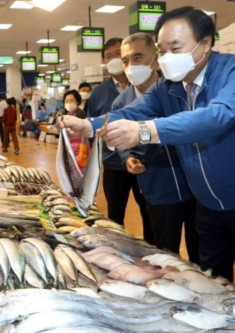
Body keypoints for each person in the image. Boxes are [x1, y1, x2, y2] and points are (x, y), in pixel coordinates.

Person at [60, 7, 235, 311]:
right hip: (208, 206)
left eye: (175, 48)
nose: (166, 57)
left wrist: (145, 132)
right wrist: (90, 125)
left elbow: (219, 116)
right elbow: (133, 111)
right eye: (162, 50)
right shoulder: (168, 87)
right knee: (211, 283)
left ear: (205, 43)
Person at [112, 32, 199, 262]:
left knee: (201, 250)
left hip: (195, 184)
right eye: (125, 60)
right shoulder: (122, 103)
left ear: (155, 57)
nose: (131, 66)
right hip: (158, 185)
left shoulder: (180, 88)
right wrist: (128, 157)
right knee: (165, 252)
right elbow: (119, 139)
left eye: (138, 57)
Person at [87, 37, 149, 238]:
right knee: (115, 213)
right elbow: (92, 127)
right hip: (113, 164)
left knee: (149, 212)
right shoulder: (99, 93)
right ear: (104, 62)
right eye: (109, 56)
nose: (114, 59)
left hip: (144, 163)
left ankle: (153, 248)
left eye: (117, 55)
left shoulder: (145, 85)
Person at [63, 90, 88, 171]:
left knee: (80, 171)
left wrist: (83, 151)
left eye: (71, 100)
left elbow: (85, 132)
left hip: (80, 148)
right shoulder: (66, 115)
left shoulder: (81, 114)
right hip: (69, 147)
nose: (68, 103)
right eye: (66, 101)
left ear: (77, 102)